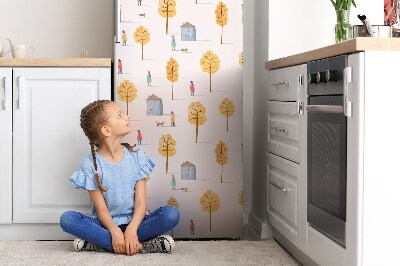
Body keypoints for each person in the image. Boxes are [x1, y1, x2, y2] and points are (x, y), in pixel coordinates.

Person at [60, 100, 180, 256]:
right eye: (119, 115)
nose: (126, 116)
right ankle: (142, 246)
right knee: (67, 219)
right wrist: (114, 230)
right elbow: (102, 210)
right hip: (106, 225)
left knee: (171, 214)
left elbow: (141, 203)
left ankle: (104, 244)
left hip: (138, 223)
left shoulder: (137, 158)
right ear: (106, 130)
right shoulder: (90, 165)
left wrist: (132, 229)